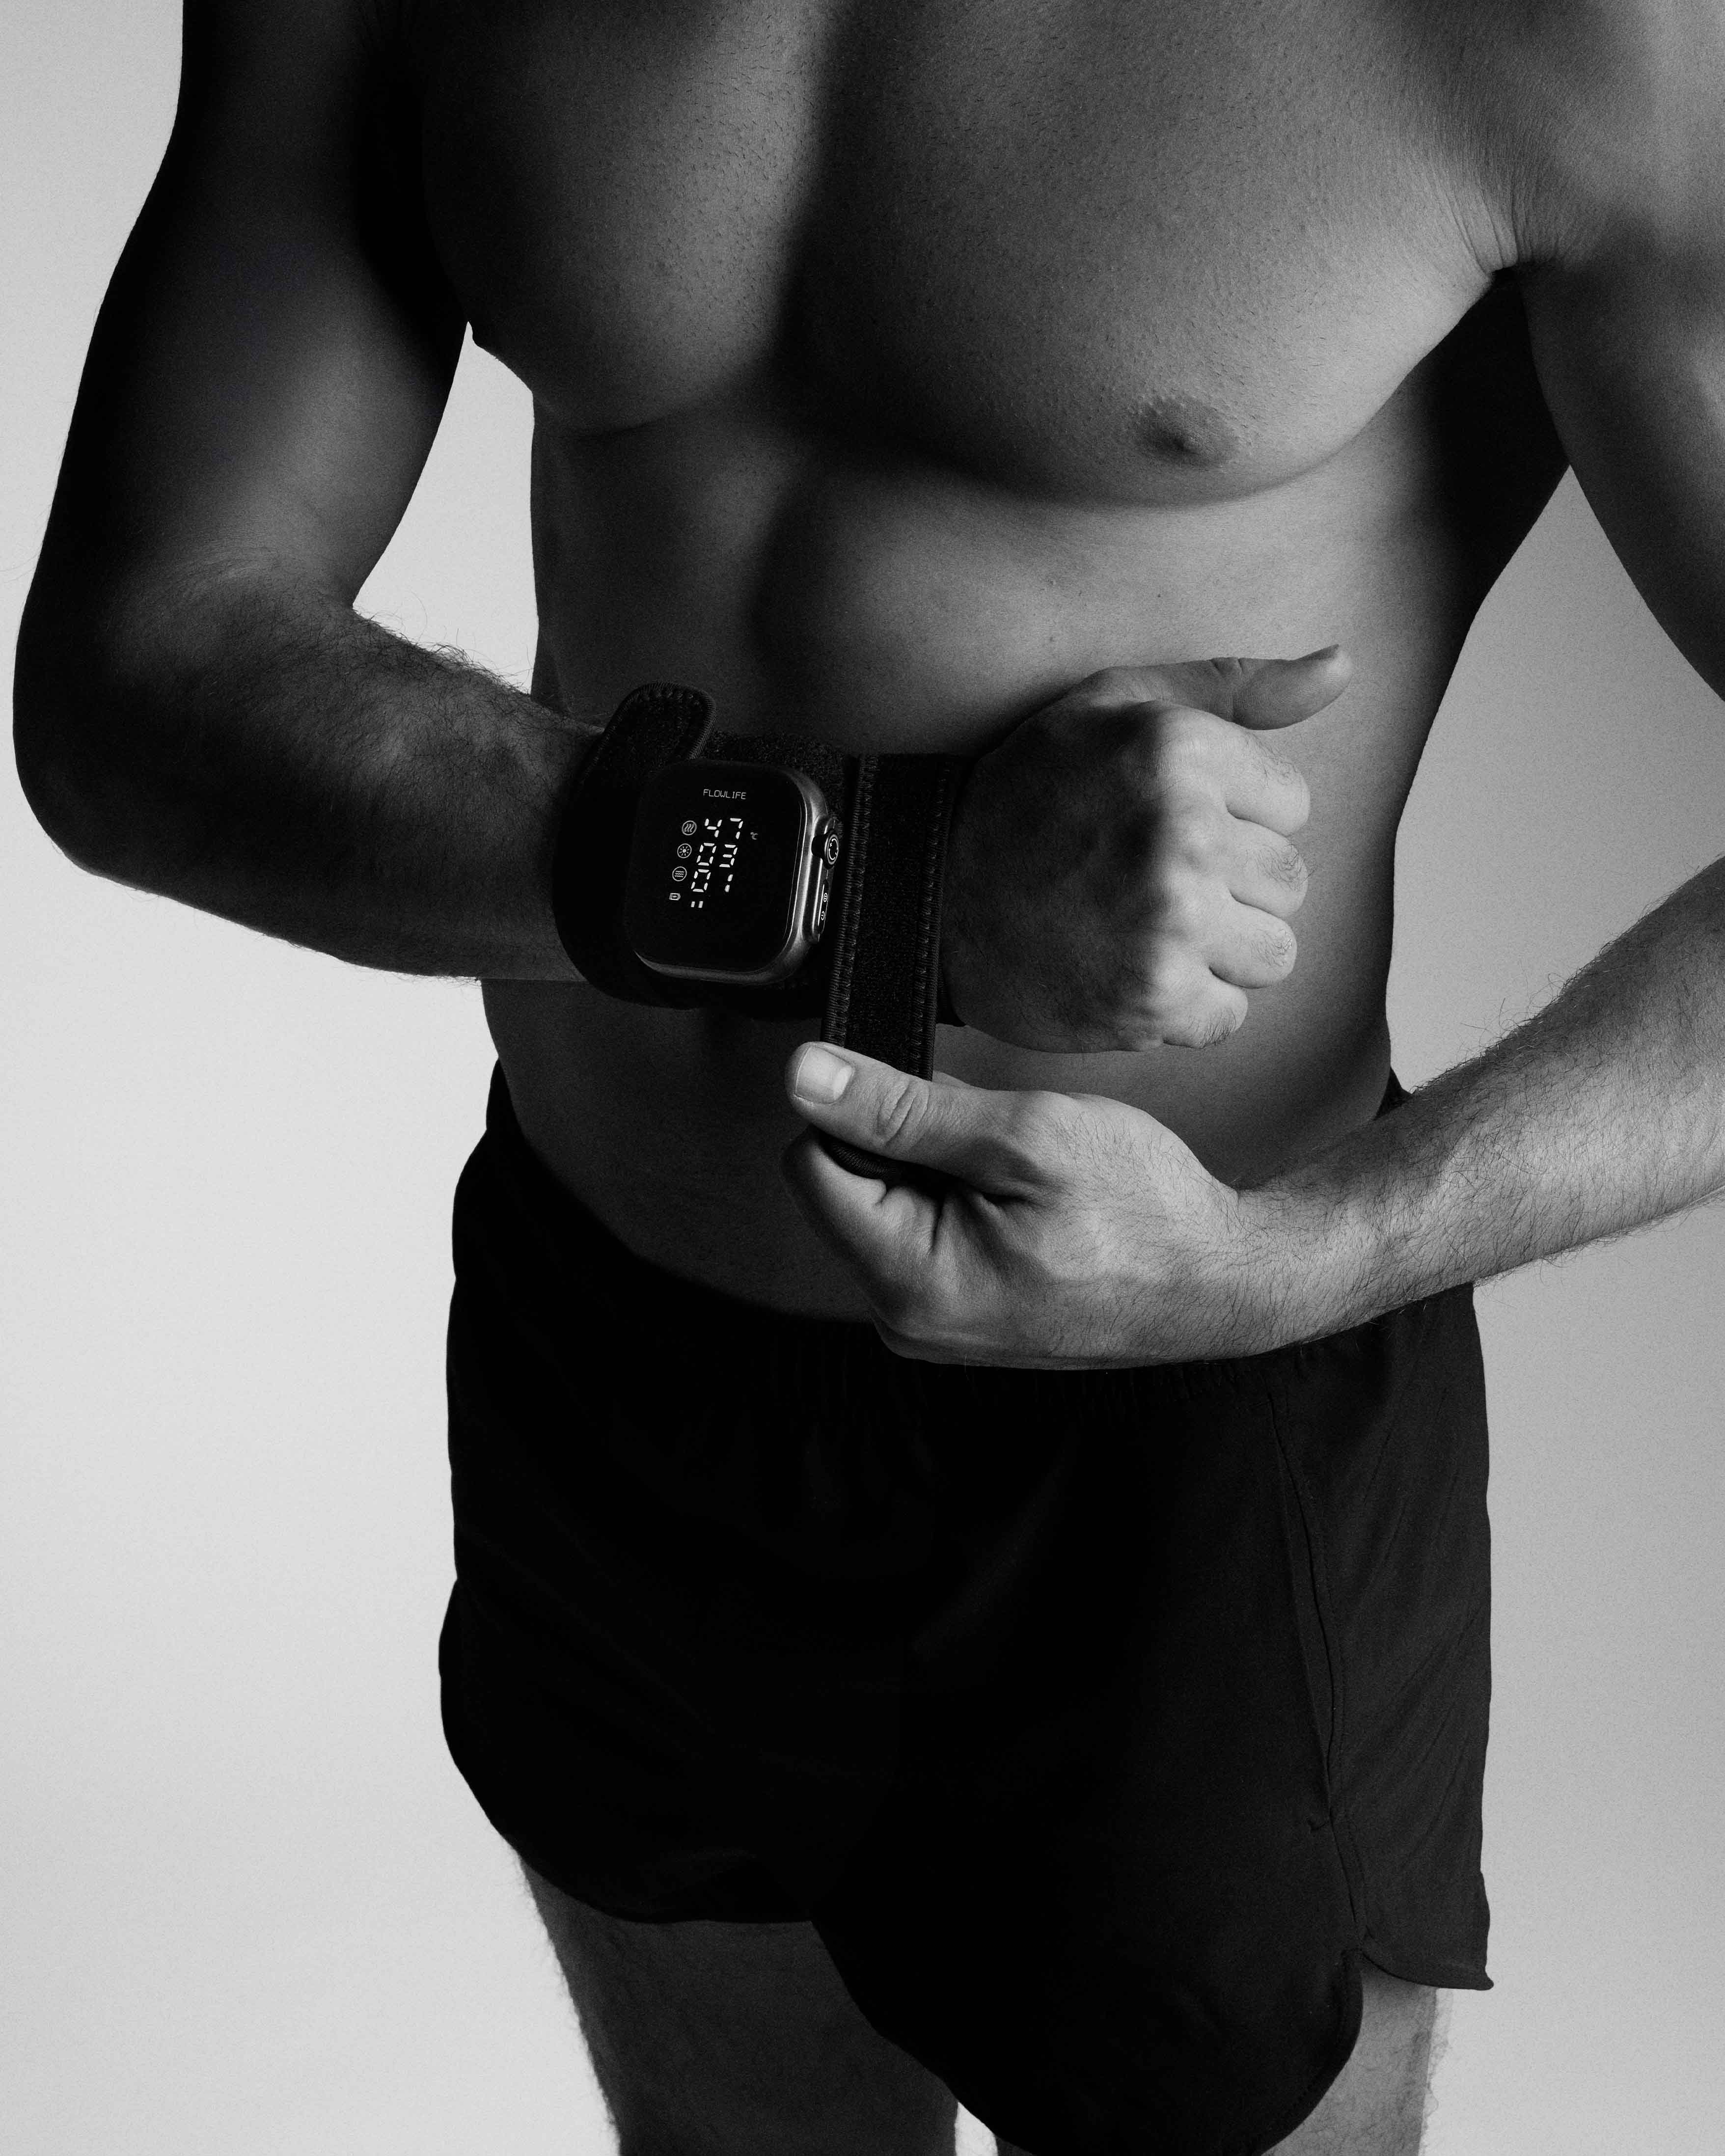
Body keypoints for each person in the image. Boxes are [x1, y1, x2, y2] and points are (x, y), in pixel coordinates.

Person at [13, 0, 1725, 2150]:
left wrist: (1336, 1251)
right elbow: (133, 674)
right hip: (615, 1361)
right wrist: (879, 880)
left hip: (1182, 1437)